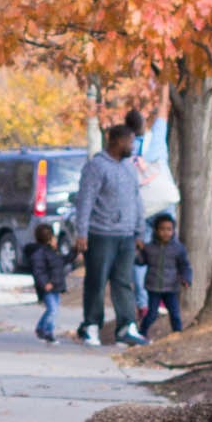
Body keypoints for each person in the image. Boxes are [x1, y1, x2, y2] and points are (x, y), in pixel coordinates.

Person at [73, 122, 142, 343]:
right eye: (130, 142)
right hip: (101, 234)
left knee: (123, 281)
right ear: (117, 141)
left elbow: (136, 199)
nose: (133, 146)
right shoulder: (97, 166)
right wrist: (81, 232)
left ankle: (126, 327)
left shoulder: (130, 167)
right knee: (97, 281)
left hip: (127, 235)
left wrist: (139, 230)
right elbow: (85, 200)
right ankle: (91, 325)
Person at [137, 214, 192, 334]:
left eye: (169, 229)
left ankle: (177, 334)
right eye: (162, 229)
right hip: (154, 287)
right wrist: (137, 251)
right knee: (151, 314)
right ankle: (141, 333)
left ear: (173, 231)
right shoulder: (149, 248)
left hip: (171, 288)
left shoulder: (178, 249)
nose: (165, 232)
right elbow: (140, 262)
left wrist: (186, 279)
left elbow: (185, 266)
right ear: (156, 230)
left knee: (175, 313)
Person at [27, 219, 66, 340]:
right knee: (52, 310)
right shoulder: (40, 254)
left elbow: (62, 263)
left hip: (56, 285)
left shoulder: (54, 253)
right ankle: (48, 331)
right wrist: (45, 283)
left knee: (52, 309)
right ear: (50, 239)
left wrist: (75, 252)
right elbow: (39, 271)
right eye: (54, 238)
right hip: (48, 287)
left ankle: (41, 327)